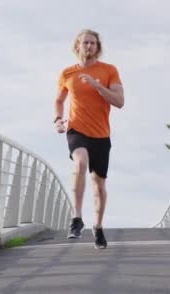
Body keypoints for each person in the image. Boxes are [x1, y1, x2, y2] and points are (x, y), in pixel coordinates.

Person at [53, 29, 124, 249]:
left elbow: (119, 101)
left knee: (99, 185)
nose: (89, 46)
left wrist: (97, 85)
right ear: (77, 46)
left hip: (101, 135)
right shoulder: (67, 73)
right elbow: (59, 100)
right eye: (85, 43)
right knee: (80, 163)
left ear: (98, 47)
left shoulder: (109, 70)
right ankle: (77, 218)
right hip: (77, 130)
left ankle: (98, 227)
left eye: (93, 43)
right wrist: (57, 119)